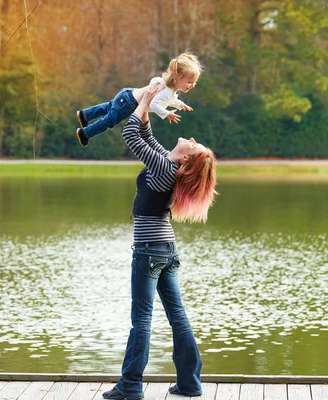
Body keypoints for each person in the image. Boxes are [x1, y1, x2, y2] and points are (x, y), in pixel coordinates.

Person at [102, 84, 217, 400]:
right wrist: (148, 105)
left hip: (150, 251)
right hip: (166, 250)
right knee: (177, 316)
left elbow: (130, 136)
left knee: (141, 320)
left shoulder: (166, 168)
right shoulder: (168, 163)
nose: (190, 140)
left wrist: (147, 101)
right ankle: (190, 383)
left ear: (187, 160)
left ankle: (130, 385)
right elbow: (146, 138)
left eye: (193, 145)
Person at [75, 52, 203, 147]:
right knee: (109, 120)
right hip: (129, 104)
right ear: (177, 78)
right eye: (190, 82)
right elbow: (154, 105)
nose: (192, 85)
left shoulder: (168, 87)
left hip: (128, 94)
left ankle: (84, 115)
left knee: (109, 107)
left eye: (194, 82)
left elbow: (170, 100)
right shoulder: (167, 91)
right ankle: (85, 133)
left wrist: (180, 105)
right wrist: (167, 114)